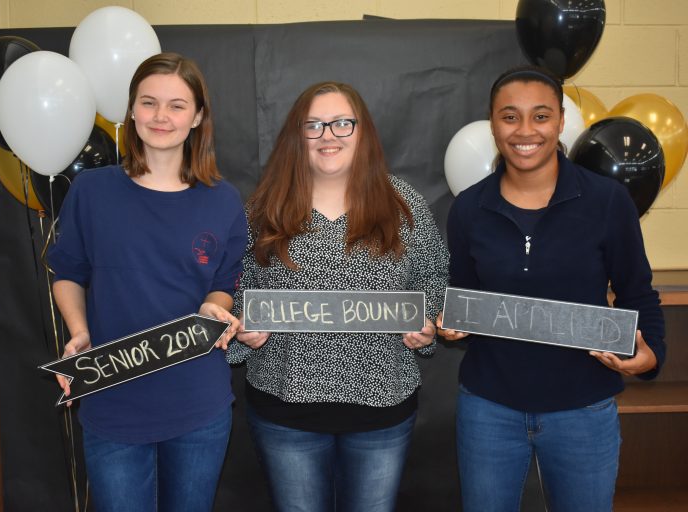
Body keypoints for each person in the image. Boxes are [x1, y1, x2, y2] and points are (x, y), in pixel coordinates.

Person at [436, 65, 666, 512]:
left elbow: (638, 293)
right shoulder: (469, 209)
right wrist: (454, 323)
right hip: (488, 409)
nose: (525, 130)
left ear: (560, 122)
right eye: (510, 117)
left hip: (584, 409)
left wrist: (650, 355)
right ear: (492, 125)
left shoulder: (607, 201)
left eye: (540, 116)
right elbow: (465, 294)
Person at [226, 81, 449, 512]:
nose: (328, 135)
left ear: (363, 131)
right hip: (285, 411)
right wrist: (242, 330)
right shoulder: (264, 207)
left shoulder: (403, 204)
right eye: (313, 125)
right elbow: (232, 289)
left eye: (342, 123)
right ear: (297, 135)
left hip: (382, 410)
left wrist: (428, 325)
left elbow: (434, 279)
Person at [47, 52, 247, 512]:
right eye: (149, 102)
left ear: (197, 117)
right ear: (132, 110)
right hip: (112, 397)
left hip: (197, 401)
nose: (161, 116)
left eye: (177, 105)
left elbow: (222, 282)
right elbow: (68, 272)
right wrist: (78, 330)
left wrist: (214, 306)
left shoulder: (223, 199)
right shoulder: (92, 191)